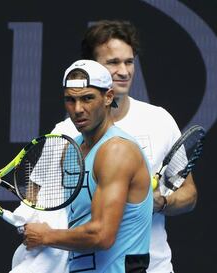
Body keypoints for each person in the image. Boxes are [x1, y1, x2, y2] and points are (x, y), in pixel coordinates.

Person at [51, 20, 198, 272]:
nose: (124, 71)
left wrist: (161, 202)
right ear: (91, 69)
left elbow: (189, 194)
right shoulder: (64, 134)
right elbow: (40, 200)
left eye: (129, 62)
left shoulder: (159, 119)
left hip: (153, 267)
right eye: (113, 63)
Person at [22, 59, 153, 272]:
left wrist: (45, 236)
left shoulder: (117, 150)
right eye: (70, 100)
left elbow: (101, 235)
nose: (78, 109)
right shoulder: (72, 150)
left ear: (108, 97)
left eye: (87, 98)